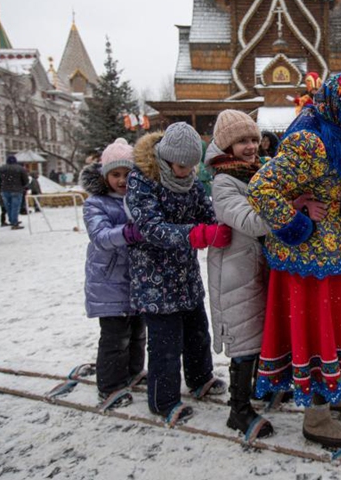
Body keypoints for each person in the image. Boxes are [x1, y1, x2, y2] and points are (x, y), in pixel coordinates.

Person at [248, 72, 341, 449]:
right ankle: (317, 417)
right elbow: (261, 189)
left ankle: (331, 389)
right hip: (308, 265)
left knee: (334, 330)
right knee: (321, 330)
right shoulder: (311, 141)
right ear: (340, 106)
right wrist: (297, 225)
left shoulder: (337, 134)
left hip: (332, 256)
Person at [125, 122, 230, 425]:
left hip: (185, 275)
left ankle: (200, 379)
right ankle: (163, 400)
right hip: (153, 278)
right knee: (165, 342)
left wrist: (221, 226)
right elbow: (150, 228)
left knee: (197, 331)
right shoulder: (142, 180)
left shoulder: (192, 182)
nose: (186, 171)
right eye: (181, 166)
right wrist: (198, 236)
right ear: (166, 159)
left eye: (191, 166)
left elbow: (206, 213)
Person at [204, 110, 275, 440]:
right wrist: (292, 207)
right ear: (225, 146)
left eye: (253, 139)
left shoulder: (257, 172)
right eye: (242, 141)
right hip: (236, 272)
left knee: (263, 333)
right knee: (245, 340)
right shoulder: (223, 181)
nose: (250, 146)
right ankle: (239, 409)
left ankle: (261, 388)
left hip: (259, 266)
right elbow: (253, 222)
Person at [81, 138, 146, 409]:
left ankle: (132, 371)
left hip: (137, 279)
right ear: (105, 175)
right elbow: (100, 236)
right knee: (114, 337)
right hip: (109, 282)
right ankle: (109, 386)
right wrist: (128, 232)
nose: (122, 180)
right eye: (115, 174)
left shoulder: (140, 199)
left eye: (127, 174)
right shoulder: (96, 203)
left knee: (137, 331)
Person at [0, 155, 29, 229]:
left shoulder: (0, 169)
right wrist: (22, 186)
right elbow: (26, 180)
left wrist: (0, 187)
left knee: (8, 207)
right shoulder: (20, 169)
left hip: (4, 190)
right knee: (15, 207)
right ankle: (14, 222)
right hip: (17, 190)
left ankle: (12, 220)